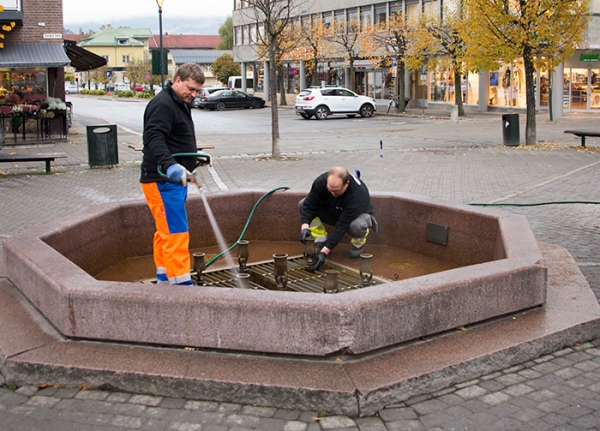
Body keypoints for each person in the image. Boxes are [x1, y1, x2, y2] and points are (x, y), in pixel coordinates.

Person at [140, 63, 205, 286]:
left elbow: (174, 138)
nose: (193, 94)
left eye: (197, 91)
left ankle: (165, 278)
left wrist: (192, 162)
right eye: (190, 88)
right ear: (177, 80)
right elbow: (153, 138)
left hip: (171, 180)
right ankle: (181, 287)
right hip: (162, 181)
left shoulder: (179, 102)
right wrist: (170, 165)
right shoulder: (163, 104)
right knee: (175, 232)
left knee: (164, 231)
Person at [299, 167, 378, 271]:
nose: (332, 194)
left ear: (347, 184)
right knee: (302, 204)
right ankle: (319, 241)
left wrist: (324, 253)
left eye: (336, 191)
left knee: (357, 226)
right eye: (329, 190)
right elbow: (309, 205)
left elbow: (341, 226)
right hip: (334, 210)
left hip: (355, 217)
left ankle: (357, 246)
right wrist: (305, 228)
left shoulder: (357, 195)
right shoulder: (321, 182)